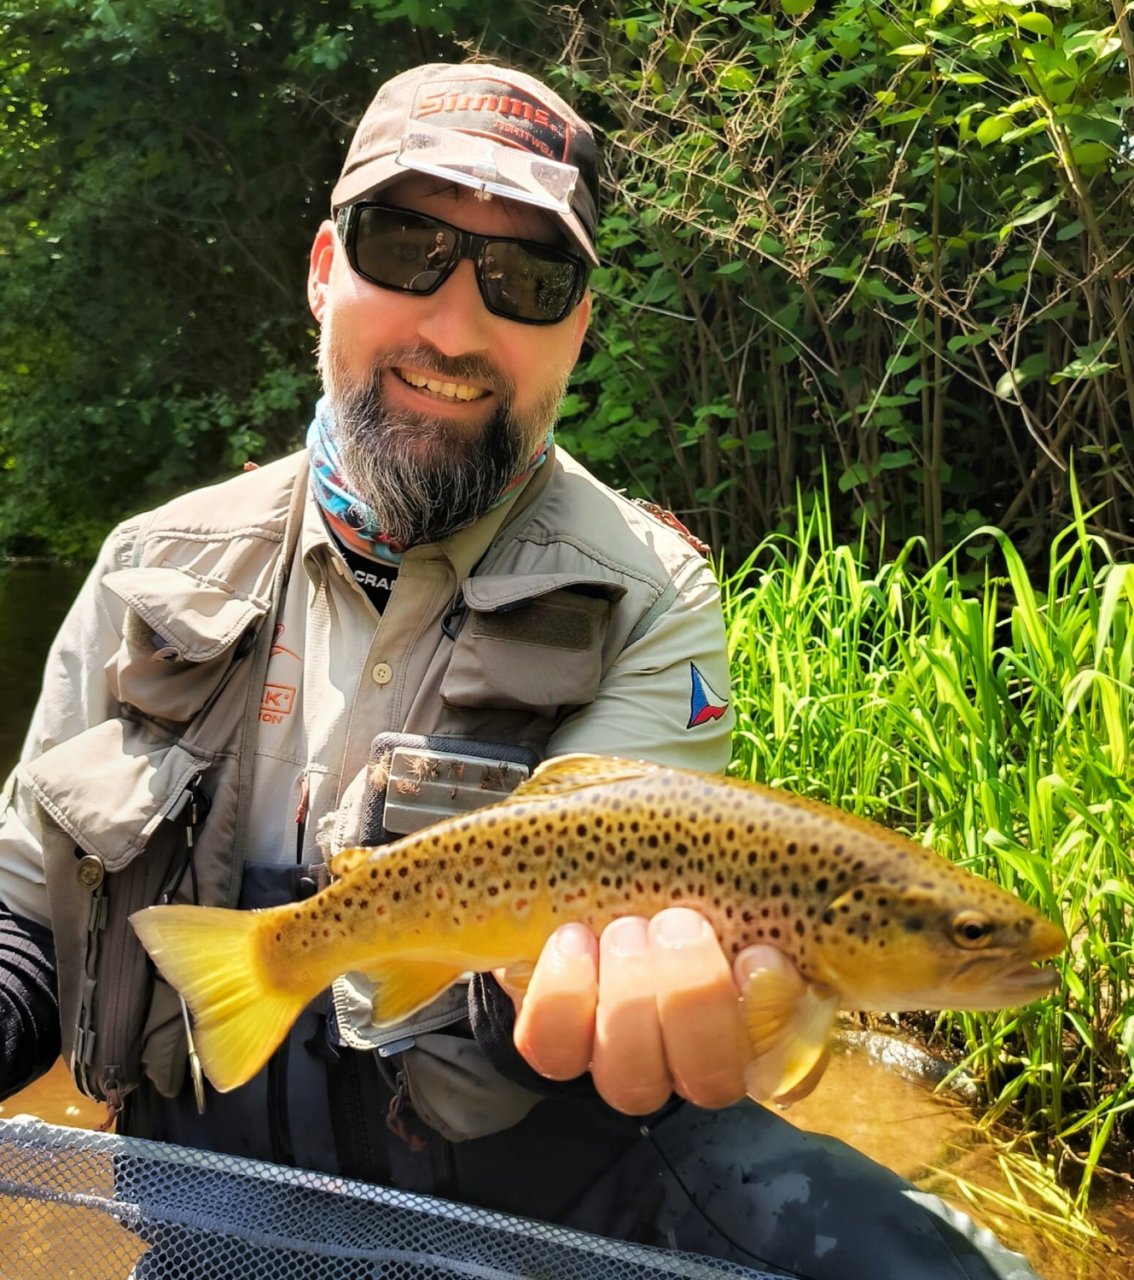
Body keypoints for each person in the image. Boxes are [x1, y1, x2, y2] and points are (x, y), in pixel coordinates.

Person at [0, 61, 1039, 1280]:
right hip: (203, 1223)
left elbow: (632, 882)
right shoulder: (144, 570)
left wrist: (677, 1009)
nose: (455, 324)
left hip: (520, 1227)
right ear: (325, 269)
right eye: (405, 246)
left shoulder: (648, 595)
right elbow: (25, 922)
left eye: (527, 280)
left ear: (579, 329)